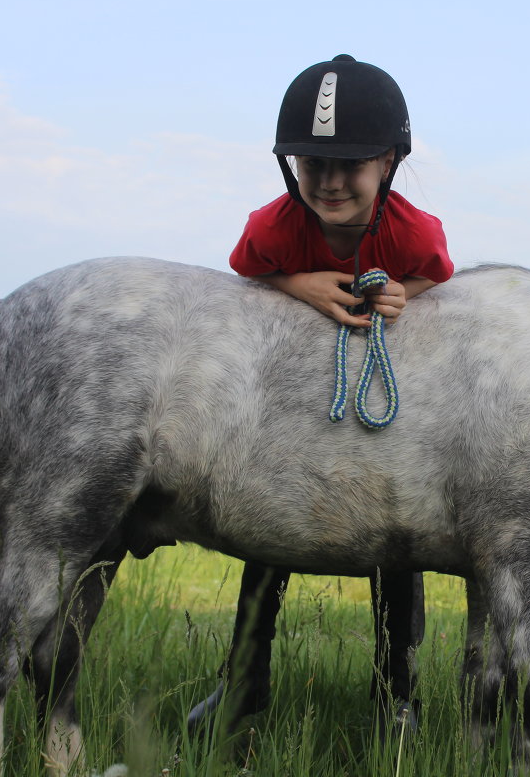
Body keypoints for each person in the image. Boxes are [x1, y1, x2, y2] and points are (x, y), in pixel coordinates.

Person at [187, 55, 452, 732]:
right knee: (268, 540)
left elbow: (437, 276)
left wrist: (402, 294)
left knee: (397, 545)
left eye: (350, 166)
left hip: (380, 404)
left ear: (388, 162)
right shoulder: (275, 226)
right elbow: (247, 270)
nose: (329, 183)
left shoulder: (413, 230)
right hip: (297, 411)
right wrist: (298, 284)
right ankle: (243, 685)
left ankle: (398, 695)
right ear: (291, 167)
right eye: (312, 166)